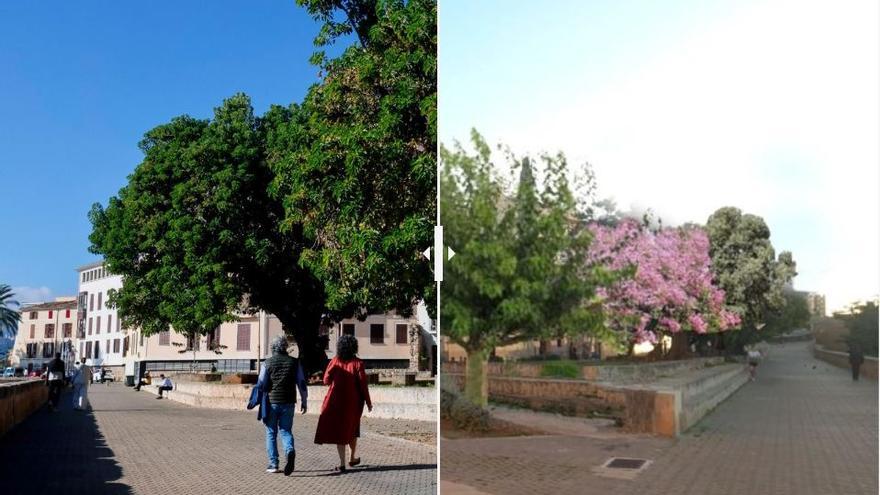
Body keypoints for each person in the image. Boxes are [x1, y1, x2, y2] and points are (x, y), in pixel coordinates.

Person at [314, 334, 373, 473]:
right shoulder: (358, 363)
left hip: (335, 401)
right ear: (354, 347)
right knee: (353, 429)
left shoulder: (335, 361)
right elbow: (363, 385)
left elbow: (326, 380)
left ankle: (341, 463)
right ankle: (352, 458)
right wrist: (369, 402)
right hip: (353, 403)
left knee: (340, 431)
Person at [261, 336, 308, 475]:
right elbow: (301, 383)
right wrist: (304, 400)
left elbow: (261, 383)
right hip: (289, 402)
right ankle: (289, 451)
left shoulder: (267, 363)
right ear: (285, 347)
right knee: (286, 431)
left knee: (271, 432)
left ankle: (273, 464)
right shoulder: (294, 362)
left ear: (272, 347)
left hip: (272, 402)